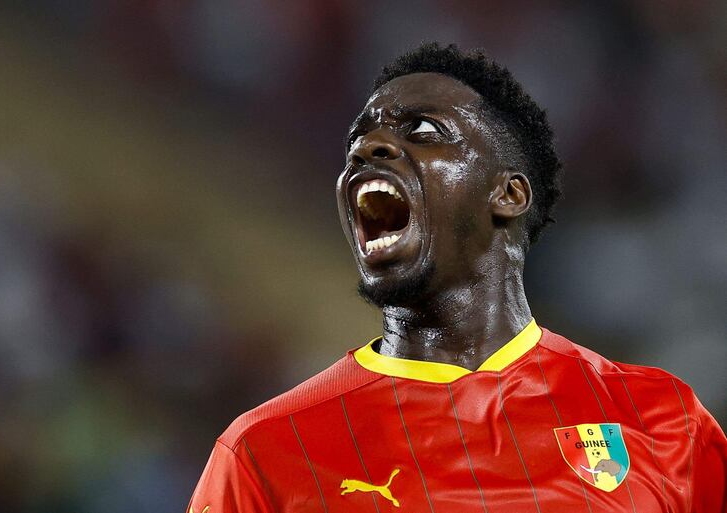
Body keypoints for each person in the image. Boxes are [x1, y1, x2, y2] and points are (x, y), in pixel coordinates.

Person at [186, 43, 727, 513]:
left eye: (422, 130)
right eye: (357, 140)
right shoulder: (265, 452)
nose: (366, 149)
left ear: (508, 194)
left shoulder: (664, 423)